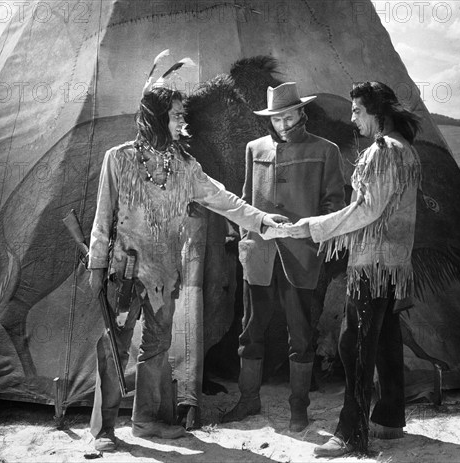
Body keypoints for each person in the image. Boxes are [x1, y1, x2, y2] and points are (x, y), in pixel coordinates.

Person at [87, 84, 288, 452]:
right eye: (176, 114)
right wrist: (97, 266)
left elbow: (224, 199)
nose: (183, 121)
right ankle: (104, 429)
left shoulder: (185, 167)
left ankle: (146, 420)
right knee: (113, 346)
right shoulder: (118, 159)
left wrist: (261, 220)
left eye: (182, 114)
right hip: (126, 274)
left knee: (157, 346)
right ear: (156, 117)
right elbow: (103, 219)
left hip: (164, 273)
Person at [285, 81, 422, 456]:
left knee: (354, 344)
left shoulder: (384, 151)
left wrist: (315, 226)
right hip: (391, 264)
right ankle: (390, 418)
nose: (352, 118)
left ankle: (351, 432)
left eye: (357, 111)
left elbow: (368, 210)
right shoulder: (404, 149)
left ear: (377, 112)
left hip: (373, 263)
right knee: (385, 340)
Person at [221, 82, 346, 432]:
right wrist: (247, 239)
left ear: (301, 112)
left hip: (301, 255)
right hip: (259, 253)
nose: (283, 122)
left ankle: (298, 408)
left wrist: (308, 230)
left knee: (301, 333)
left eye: (288, 115)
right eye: (276, 117)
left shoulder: (326, 151)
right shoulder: (254, 148)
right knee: (250, 330)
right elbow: (245, 200)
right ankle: (248, 401)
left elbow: (335, 204)